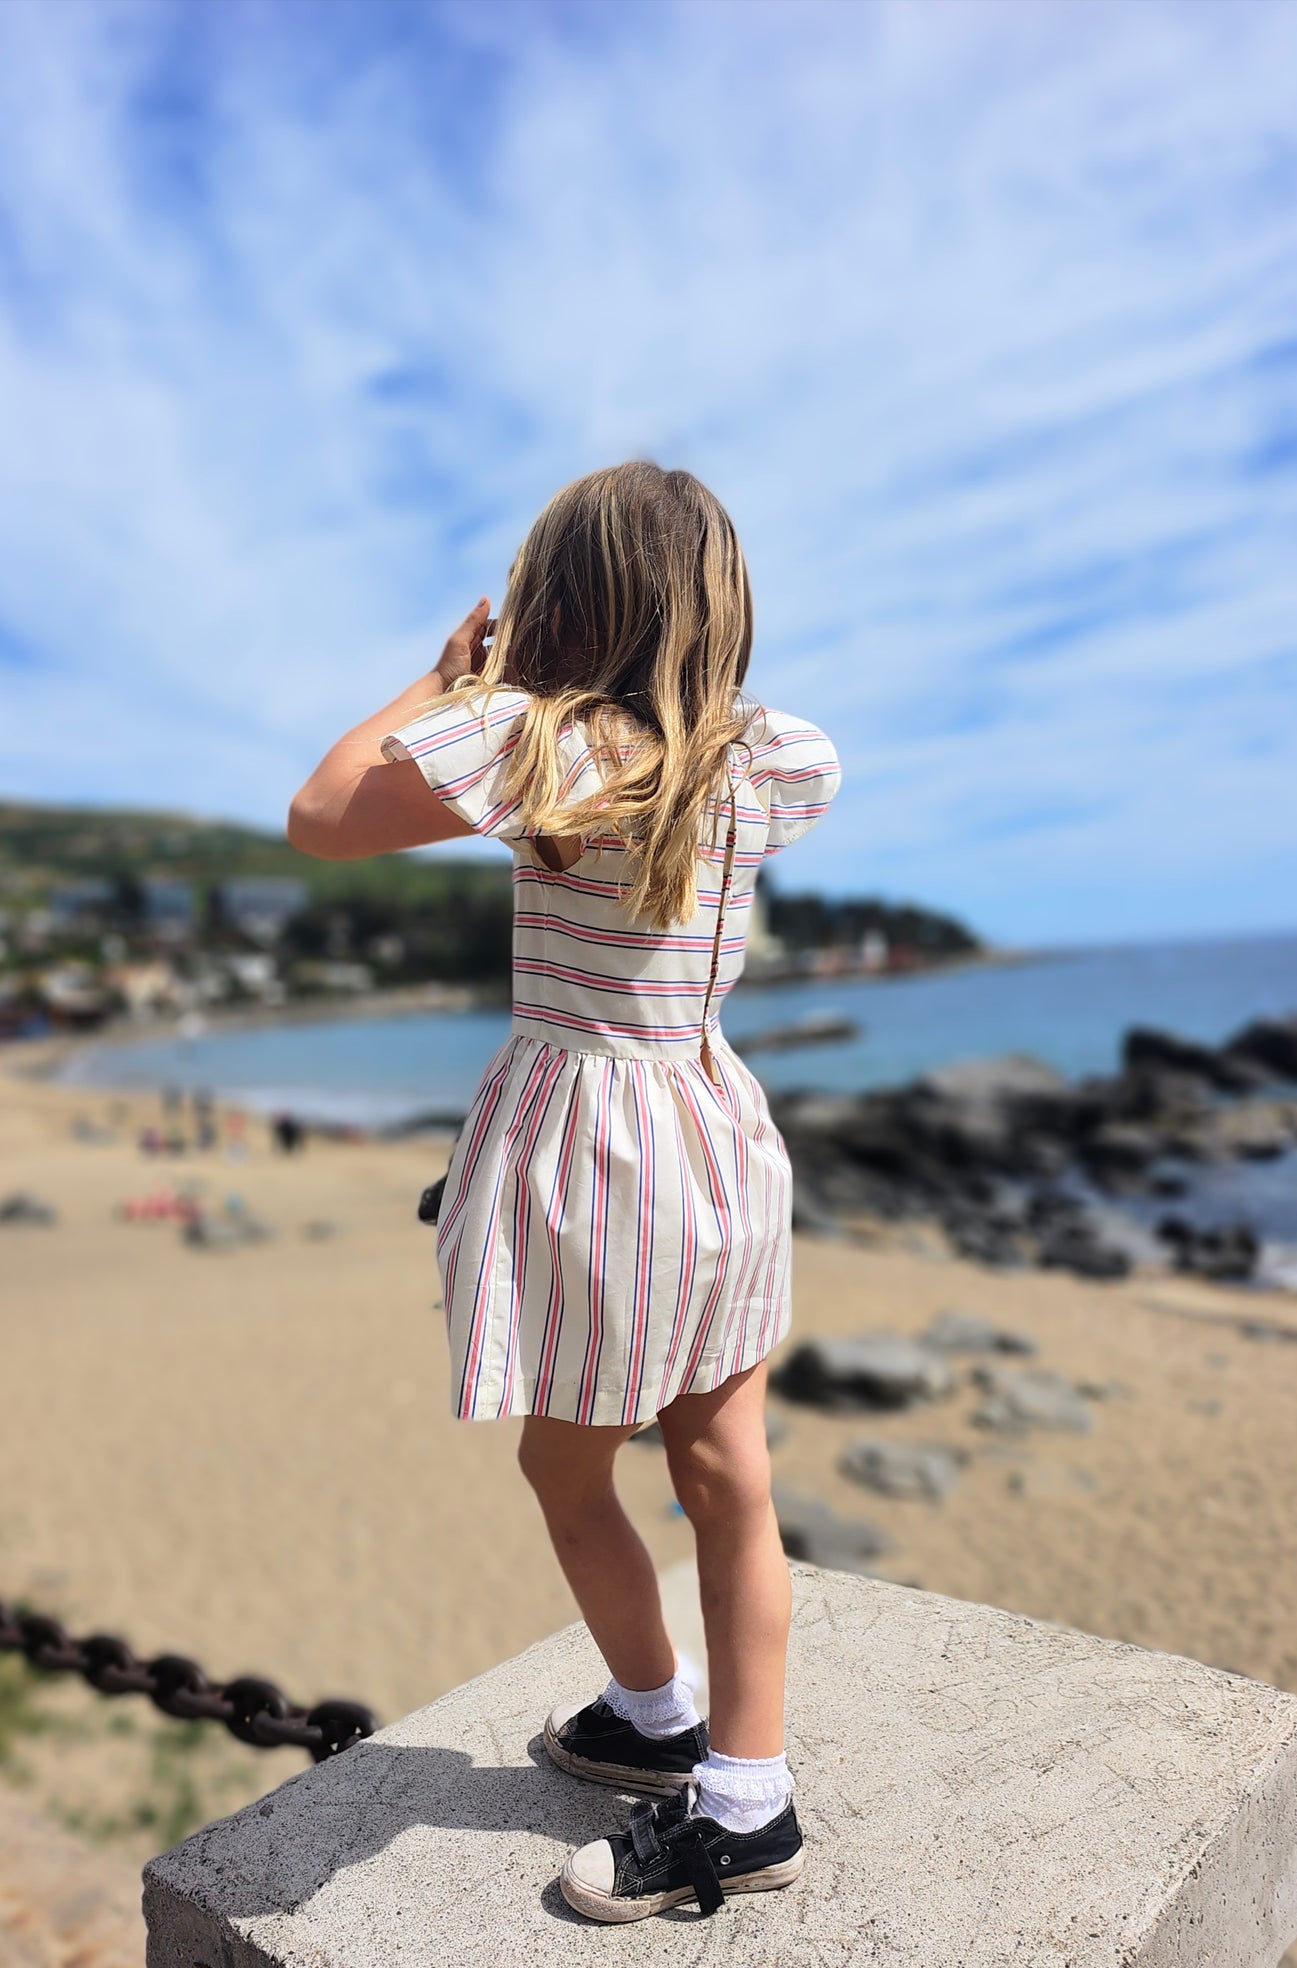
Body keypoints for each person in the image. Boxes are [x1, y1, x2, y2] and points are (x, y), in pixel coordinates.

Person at [288, 462, 840, 1922]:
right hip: (711, 1128)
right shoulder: (762, 756)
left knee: (566, 1462)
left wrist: (432, 681)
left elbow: (322, 811)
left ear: (556, 595)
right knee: (731, 1475)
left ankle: (670, 1735)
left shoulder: (540, 749)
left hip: (594, 1154)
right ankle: (739, 1784)